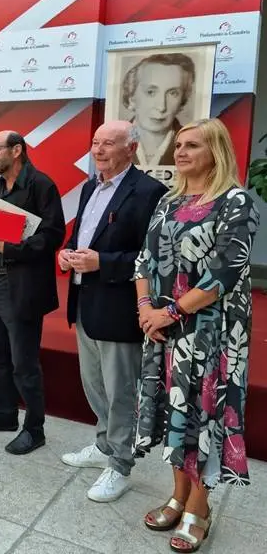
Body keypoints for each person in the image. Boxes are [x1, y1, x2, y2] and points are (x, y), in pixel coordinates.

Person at [134, 118, 259, 553]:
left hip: (214, 332)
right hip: (164, 330)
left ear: (216, 151)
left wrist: (168, 311)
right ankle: (179, 493)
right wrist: (145, 308)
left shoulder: (237, 200)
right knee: (175, 411)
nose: (180, 153)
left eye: (192, 146)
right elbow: (144, 259)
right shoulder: (169, 201)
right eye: (179, 145)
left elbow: (224, 272)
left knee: (206, 413)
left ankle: (199, 507)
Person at [58, 121, 167, 502]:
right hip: (85, 302)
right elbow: (80, 239)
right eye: (95, 142)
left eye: (109, 143)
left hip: (120, 306)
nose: (99, 150)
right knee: (95, 385)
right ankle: (104, 444)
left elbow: (152, 258)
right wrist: (68, 254)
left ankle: (121, 465)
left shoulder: (150, 192)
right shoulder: (91, 186)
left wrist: (102, 262)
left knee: (120, 391)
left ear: (131, 148)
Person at [0, 130, 65, 455]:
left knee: (24, 362)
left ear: (17, 150)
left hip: (20, 287)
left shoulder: (41, 185)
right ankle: (6, 414)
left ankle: (34, 429)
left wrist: (13, 248)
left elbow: (53, 236)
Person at [123, 53, 195, 167]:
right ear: (131, 98)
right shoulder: (112, 143)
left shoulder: (194, 149)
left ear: (182, 101)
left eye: (173, 93)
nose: (162, 107)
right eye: (150, 92)